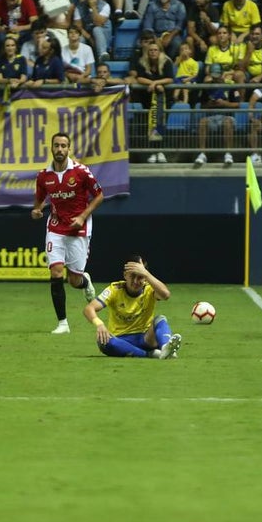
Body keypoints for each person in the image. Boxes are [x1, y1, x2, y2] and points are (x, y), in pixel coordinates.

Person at [32, 132, 103, 335]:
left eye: (64, 146)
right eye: (57, 145)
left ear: (69, 149)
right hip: (56, 227)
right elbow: (39, 200)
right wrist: (36, 210)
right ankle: (63, 323)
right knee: (55, 272)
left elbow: (99, 196)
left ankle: (85, 281)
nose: (60, 149)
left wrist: (82, 217)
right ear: (52, 148)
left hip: (79, 228)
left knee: (74, 281)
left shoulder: (81, 172)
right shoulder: (44, 176)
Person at [83, 255, 183, 359]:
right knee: (103, 342)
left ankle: (166, 348)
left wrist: (146, 274)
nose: (135, 281)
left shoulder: (149, 289)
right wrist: (99, 324)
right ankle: (152, 354)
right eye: (132, 276)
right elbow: (89, 309)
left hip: (146, 339)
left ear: (145, 277)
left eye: (140, 276)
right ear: (125, 275)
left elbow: (166, 295)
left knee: (160, 319)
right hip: (121, 340)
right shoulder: (114, 290)